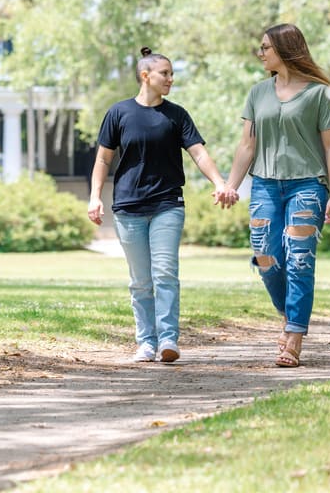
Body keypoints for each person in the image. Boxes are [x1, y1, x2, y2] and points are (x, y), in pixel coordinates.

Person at [87, 48, 231, 364]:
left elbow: (199, 154)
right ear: (145, 76)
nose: (170, 79)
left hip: (168, 203)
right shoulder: (119, 113)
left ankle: (168, 340)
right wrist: (95, 196)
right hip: (127, 207)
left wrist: (219, 183)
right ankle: (146, 343)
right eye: (164, 73)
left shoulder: (176, 115)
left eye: (171, 73)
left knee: (165, 273)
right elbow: (103, 158)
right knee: (140, 281)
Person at [221, 23, 330, 368]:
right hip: (265, 186)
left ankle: (293, 337)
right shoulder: (258, 93)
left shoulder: (320, 93)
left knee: (299, 258)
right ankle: (290, 310)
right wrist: (231, 184)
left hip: (308, 185)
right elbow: (247, 145)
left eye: (265, 48)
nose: (260, 54)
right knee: (265, 256)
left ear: (284, 50)